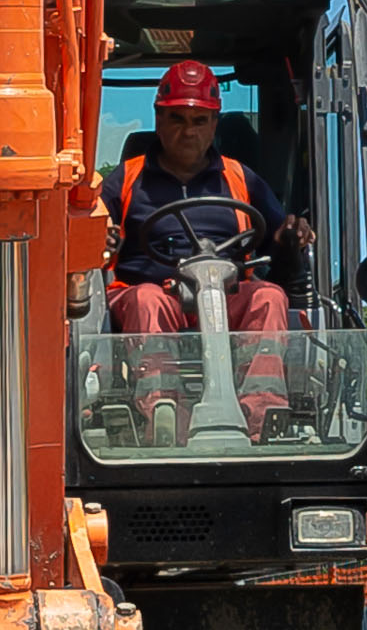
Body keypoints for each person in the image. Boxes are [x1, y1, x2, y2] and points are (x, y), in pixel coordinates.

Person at [109, 56, 305, 427]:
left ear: (215, 123)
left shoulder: (241, 178)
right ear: (158, 119)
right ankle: (163, 413)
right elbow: (93, 236)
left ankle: (262, 415)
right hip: (152, 294)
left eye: (199, 121)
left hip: (225, 295)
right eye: (177, 119)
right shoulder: (126, 179)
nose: (188, 132)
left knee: (269, 297)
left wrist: (292, 234)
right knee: (147, 300)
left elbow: (279, 236)